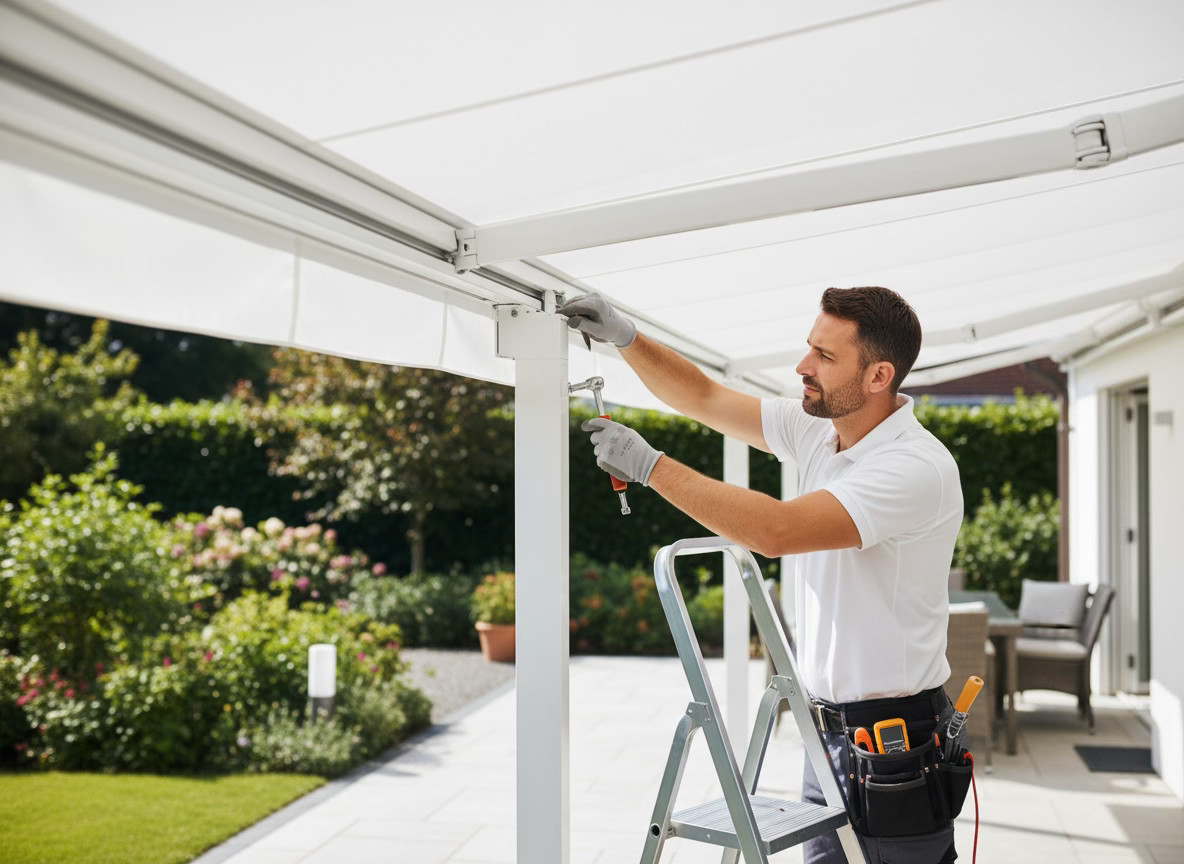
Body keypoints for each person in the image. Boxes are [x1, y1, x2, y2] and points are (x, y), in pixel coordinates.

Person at [558, 286, 965, 864]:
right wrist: (626, 335)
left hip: (891, 743)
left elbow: (776, 531)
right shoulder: (820, 430)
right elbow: (704, 397)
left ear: (879, 376)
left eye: (825, 357)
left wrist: (651, 467)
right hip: (825, 735)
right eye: (810, 348)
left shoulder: (914, 467)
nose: (803, 367)